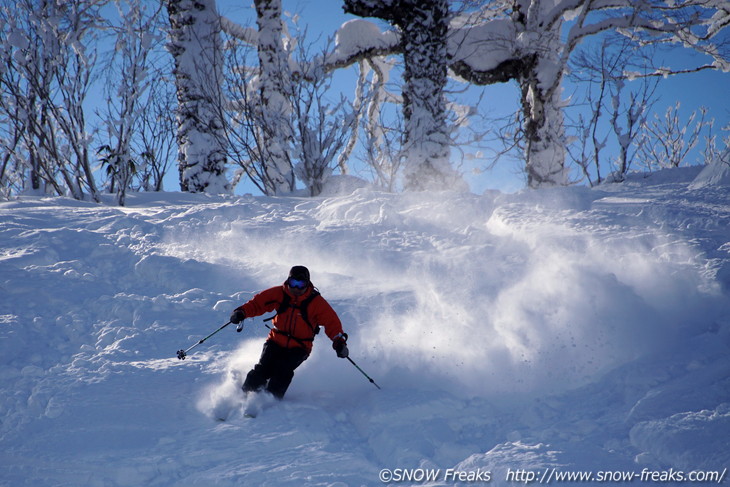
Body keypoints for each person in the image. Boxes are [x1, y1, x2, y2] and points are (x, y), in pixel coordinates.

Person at [229, 265, 349, 399]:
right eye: (293, 283)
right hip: (275, 340)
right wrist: (241, 312)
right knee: (263, 369)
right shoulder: (279, 293)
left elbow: (331, 323)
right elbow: (257, 304)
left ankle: (271, 401)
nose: (296, 288)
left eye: (301, 284)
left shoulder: (316, 303)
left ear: (307, 284)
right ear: (288, 280)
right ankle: (245, 396)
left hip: (300, 347)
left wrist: (339, 342)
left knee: (283, 371)